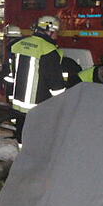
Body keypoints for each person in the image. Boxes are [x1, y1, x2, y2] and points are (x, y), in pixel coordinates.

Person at [10, 16, 67, 146]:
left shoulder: (18, 45)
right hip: (39, 107)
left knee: (22, 138)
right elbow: (56, 85)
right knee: (38, 141)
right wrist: (62, 104)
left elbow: (14, 73)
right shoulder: (48, 50)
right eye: (56, 32)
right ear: (50, 30)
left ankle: (21, 161)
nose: (57, 35)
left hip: (18, 105)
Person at [1, 24, 23, 102]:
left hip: (12, 84)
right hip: (18, 83)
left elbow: (10, 67)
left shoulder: (13, 48)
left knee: (11, 104)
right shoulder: (19, 47)